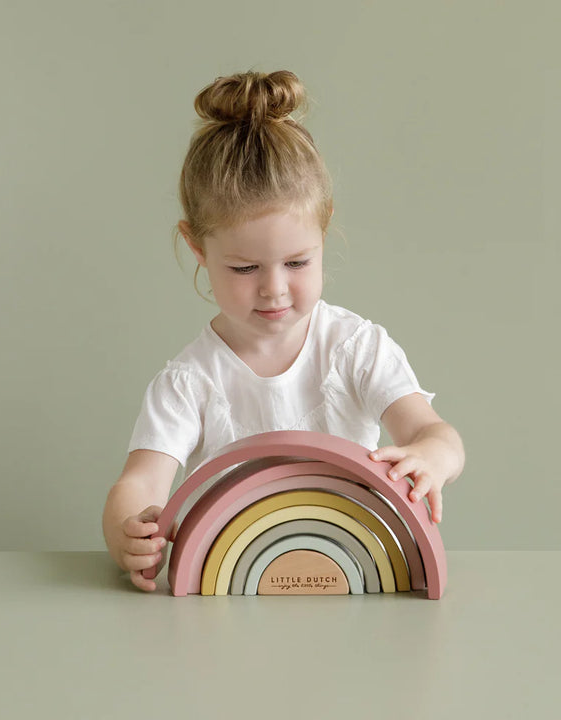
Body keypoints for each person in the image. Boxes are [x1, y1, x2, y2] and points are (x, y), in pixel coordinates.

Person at [102, 69, 465, 593]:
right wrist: (126, 532)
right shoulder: (190, 380)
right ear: (197, 247)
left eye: (297, 262)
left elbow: (438, 435)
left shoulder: (355, 349)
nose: (274, 290)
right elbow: (140, 484)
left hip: (357, 578)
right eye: (245, 269)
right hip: (230, 590)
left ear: (325, 226)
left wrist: (431, 457)